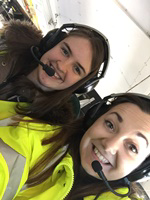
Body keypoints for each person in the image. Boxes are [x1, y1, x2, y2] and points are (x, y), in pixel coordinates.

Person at [0, 92, 150, 200]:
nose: (109, 145)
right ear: (93, 119)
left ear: (141, 168)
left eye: (132, 147)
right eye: (110, 125)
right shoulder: (36, 137)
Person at [0, 19, 109, 125]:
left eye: (77, 69)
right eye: (65, 51)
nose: (61, 66)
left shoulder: (48, 129)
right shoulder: (6, 50)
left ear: (81, 84)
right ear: (51, 44)